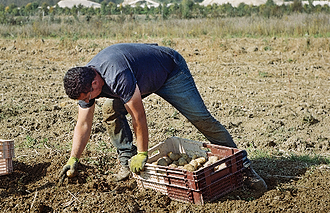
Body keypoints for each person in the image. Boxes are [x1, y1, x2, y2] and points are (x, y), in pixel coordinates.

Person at [59, 43, 267, 193]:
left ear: (95, 84)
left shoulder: (116, 75)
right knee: (110, 109)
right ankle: (126, 162)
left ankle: (243, 166)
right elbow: (84, 123)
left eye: (87, 97)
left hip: (169, 71)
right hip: (141, 79)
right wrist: (74, 158)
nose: (86, 101)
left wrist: (142, 154)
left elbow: (138, 117)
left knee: (201, 118)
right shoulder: (86, 81)